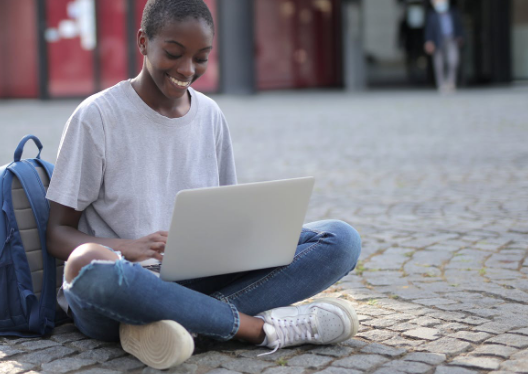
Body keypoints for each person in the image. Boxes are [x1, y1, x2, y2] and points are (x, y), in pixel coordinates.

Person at [45, 0, 362, 369]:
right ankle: (259, 329)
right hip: (124, 287)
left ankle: (178, 326)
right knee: (86, 263)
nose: (186, 69)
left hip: (197, 279)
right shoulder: (97, 116)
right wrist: (126, 247)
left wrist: (251, 237)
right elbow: (57, 234)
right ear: (144, 42)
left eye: (201, 58)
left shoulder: (210, 115)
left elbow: (226, 213)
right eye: (174, 53)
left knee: (340, 239)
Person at [424, 0, 464, 93]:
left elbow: (459, 26)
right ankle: (441, 84)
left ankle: (451, 82)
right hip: (438, 41)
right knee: (438, 63)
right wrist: (429, 42)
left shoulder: (453, 12)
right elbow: (429, 30)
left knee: (453, 60)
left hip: (451, 39)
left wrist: (460, 37)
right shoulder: (432, 15)